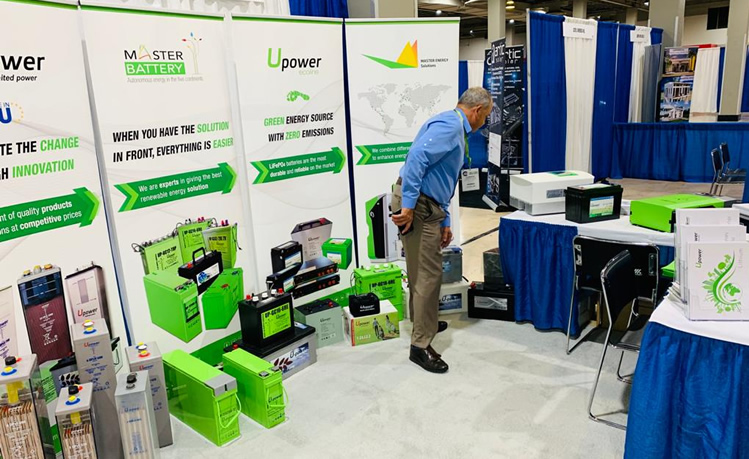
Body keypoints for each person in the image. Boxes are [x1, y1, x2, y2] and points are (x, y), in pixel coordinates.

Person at [391, 87, 492, 374]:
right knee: (427, 275)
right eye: (486, 115)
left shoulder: (452, 124)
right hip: (419, 206)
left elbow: (442, 178)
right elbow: (416, 158)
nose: (485, 121)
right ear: (477, 111)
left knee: (422, 272)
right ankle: (420, 345)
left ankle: (425, 323)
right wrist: (408, 206)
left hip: (429, 206)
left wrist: (445, 221)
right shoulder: (451, 127)